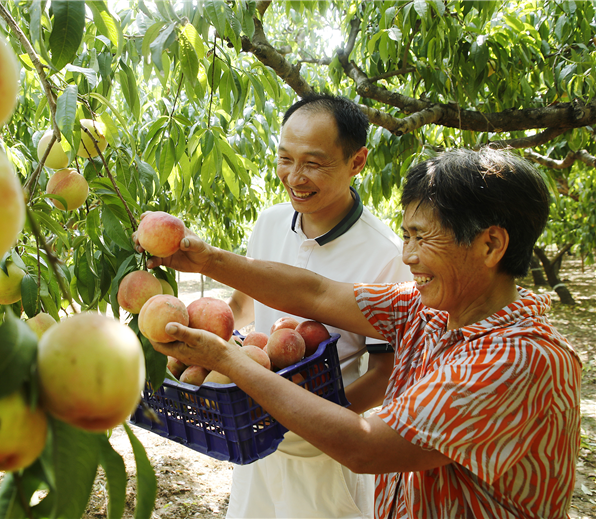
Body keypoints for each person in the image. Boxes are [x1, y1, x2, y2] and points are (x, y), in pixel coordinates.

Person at [137, 148, 581, 518]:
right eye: (406, 236)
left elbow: (366, 448)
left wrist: (228, 360)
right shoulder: (427, 311)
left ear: (491, 245)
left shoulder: (518, 359)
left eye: (422, 238)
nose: (406, 255)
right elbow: (316, 294)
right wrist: (208, 260)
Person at [225, 93, 411, 518]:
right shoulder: (270, 222)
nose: (294, 176)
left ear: (357, 162)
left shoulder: (385, 255)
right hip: (257, 442)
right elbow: (242, 305)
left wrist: (312, 422)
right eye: (285, 159)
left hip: (324, 456)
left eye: (313, 162)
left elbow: (385, 373)